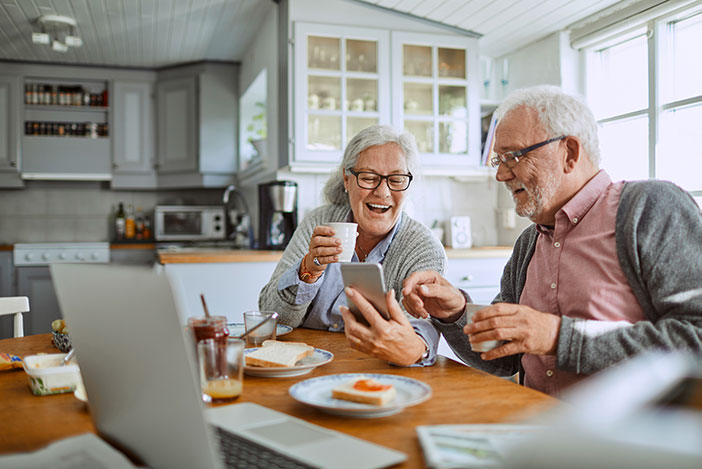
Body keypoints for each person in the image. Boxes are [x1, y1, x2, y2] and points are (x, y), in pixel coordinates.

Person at [354, 85, 702, 397]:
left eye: (514, 156)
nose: (501, 174)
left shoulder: (650, 208)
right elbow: (504, 357)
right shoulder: (527, 244)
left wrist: (557, 337)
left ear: (569, 152)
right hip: (537, 433)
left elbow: (696, 340)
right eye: (498, 159)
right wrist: (455, 312)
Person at [259, 125, 446, 366]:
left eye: (397, 179)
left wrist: (416, 345)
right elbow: (272, 317)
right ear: (347, 180)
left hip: (376, 372)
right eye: (369, 178)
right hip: (304, 365)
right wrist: (309, 270)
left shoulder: (423, 248)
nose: (383, 192)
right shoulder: (319, 223)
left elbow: (416, 336)